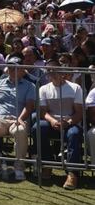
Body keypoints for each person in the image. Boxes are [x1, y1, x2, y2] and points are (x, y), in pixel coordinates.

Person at [0, 56, 34, 181]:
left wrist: (20, 119)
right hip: (1, 120)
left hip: (18, 119)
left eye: (15, 68)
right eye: (10, 68)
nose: (12, 70)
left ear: (22, 70)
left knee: (20, 131)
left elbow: (29, 105)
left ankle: (19, 167)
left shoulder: (29, 86)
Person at [35, 61, 85, 190]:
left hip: (70, 123)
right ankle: (47, 164)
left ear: (62, 72)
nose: (51, 74)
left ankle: (72, 173)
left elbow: (79, 113)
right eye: (49, 72)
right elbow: (43, 112)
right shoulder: (43, 89)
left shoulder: (75, 88)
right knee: (38, 128)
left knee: (74, 134)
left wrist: (68, 122)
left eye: (54, 70)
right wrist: (52, 121)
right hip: (52, 123)